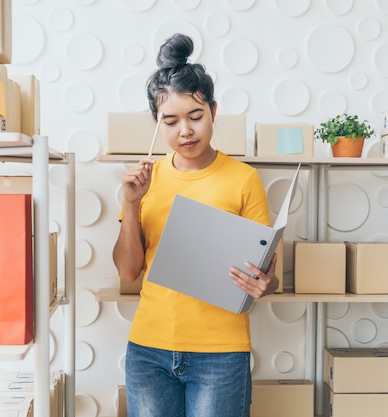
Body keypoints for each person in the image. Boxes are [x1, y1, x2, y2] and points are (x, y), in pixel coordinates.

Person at [113, 33, 280, 417]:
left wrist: (266, 284)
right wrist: (131, 203)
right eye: (170, 121)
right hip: (148, 351)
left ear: (214, 111)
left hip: (220, 355)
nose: (185, 131)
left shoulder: (243, 179)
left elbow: (268, 274)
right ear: (157, 123)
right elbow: (127, 271)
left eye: (195, 117)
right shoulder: (142, 182)